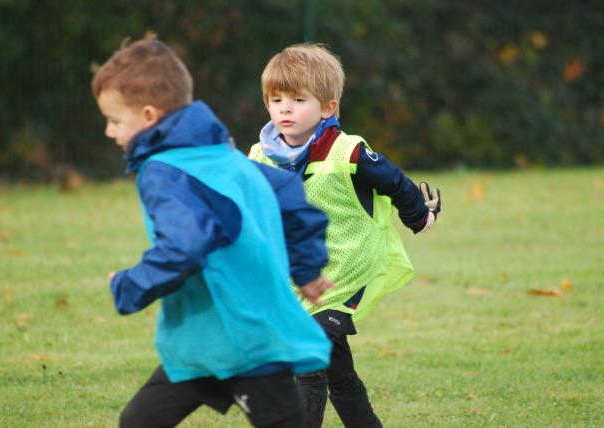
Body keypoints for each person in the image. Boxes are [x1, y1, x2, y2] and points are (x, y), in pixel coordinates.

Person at [92, 34, 335, 428]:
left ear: (150, 116)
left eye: (115, 120)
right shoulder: (223, 156)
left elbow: (185, 246)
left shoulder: (164, 172)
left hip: (249, 343)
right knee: (139, 421)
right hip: (203, 344)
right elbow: (289, 193)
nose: (109, 131)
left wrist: (129, 285)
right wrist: (305, 269)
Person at [248, 43, 442, 427]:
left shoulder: (347, 151)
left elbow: (395, 183)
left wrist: (420, 217)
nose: (284, 108)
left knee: (309, 356)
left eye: (298, 99)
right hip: (301, 276)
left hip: (348, 268)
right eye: (276, 99)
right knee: (335, 366)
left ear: (328, 108)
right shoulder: (260, 155)